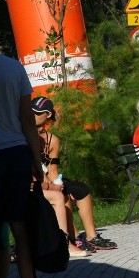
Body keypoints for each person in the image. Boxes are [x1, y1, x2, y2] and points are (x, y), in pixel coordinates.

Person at [0, 50, 43, 278]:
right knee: (19, 229)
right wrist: (37, 160)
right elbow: (27, 120)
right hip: (17, 152)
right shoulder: (14, 68)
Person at [31, 97, 117, 252]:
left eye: (37, 113)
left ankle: (92, 236)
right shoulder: (26, 135)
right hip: (36, 180)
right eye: (30, 112)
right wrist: (55, 187)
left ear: (48, 115)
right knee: (63, 193)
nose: (32, 115)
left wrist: (57, 183)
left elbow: (52, 169)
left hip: (48, 177)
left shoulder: (52, 140)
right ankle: (74, 237)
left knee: (82, 189)